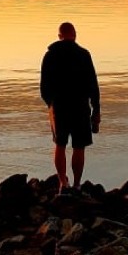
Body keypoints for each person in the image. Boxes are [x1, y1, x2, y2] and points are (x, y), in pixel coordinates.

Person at [40, 21, 101, 191]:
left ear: (59, 36)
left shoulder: (50, 55)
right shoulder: (84, 55)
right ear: (75, 35)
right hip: (80, 106)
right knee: (79, 147)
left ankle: (62, 183)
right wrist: (96, 110)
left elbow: (44, 86)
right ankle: (76, 184)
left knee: (60, 145)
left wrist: (51, 105)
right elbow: (93, 86)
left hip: (59, 107)